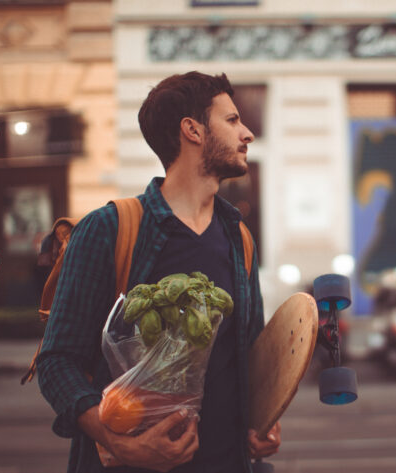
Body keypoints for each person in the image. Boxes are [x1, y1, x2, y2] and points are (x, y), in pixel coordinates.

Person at [37, 72, 280, 473]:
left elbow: (249, 355)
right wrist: (117, 441)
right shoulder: (109, 229)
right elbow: (56, 362)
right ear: (192, 130)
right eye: (232, 120)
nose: (248, 133)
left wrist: (262, 420)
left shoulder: (239, 237)